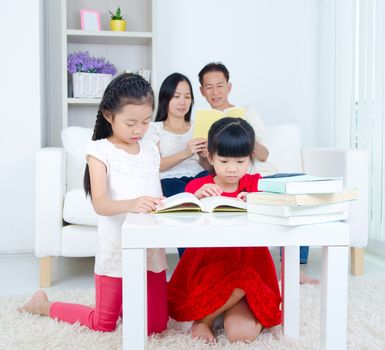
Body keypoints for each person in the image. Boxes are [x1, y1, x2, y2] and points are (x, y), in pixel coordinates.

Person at [19, 73, 168, 335]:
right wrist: (133, 203)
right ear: (109, 115)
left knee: (155, 327)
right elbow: (100, 204)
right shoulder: (100, 150)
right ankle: (43, 305)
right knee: (103, 324)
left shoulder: (151, 147)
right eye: (131, 122)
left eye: (145, 121)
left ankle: (129, 302)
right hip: (116, 249)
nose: (139, 130)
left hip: (149, 249)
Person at [198, 62, 318, 285]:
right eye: (209, 87)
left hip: (263, 175)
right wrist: (207, 154)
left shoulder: (248, 113)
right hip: (230, 178)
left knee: (301, 188)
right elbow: (208, 170)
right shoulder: (201, 120)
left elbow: (263, 154)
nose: (215, 92)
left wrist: (242, 138)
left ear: (229, 87)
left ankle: (294, 268)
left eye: (220, 86)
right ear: (201, 90)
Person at [167, 117, 281, 343]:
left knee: (242, 335)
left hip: (249, 271)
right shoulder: (199, 186)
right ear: (210, 157)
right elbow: (179, 221)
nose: (231, 169)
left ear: (250, 158)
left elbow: (278, 208)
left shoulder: (256, 184)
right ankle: (206, 320)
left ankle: (230, 307)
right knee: (225, 299)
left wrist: (258, 201)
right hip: (210, 270)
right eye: (224, 160)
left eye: (240, 162)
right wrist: (194, 199)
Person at [145, 72, 209, 198]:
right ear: (165, 98)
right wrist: (186, 153)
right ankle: (192, 197)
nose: (182, 102)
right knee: (172, 187)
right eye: (176, 96)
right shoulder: (154, 128)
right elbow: (155, 166)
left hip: (198, 177)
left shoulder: (198, 126)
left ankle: (194, 197)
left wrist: (203, 157)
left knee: (210, 178)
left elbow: (207, 166)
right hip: (170, 180)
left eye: (187, 97)